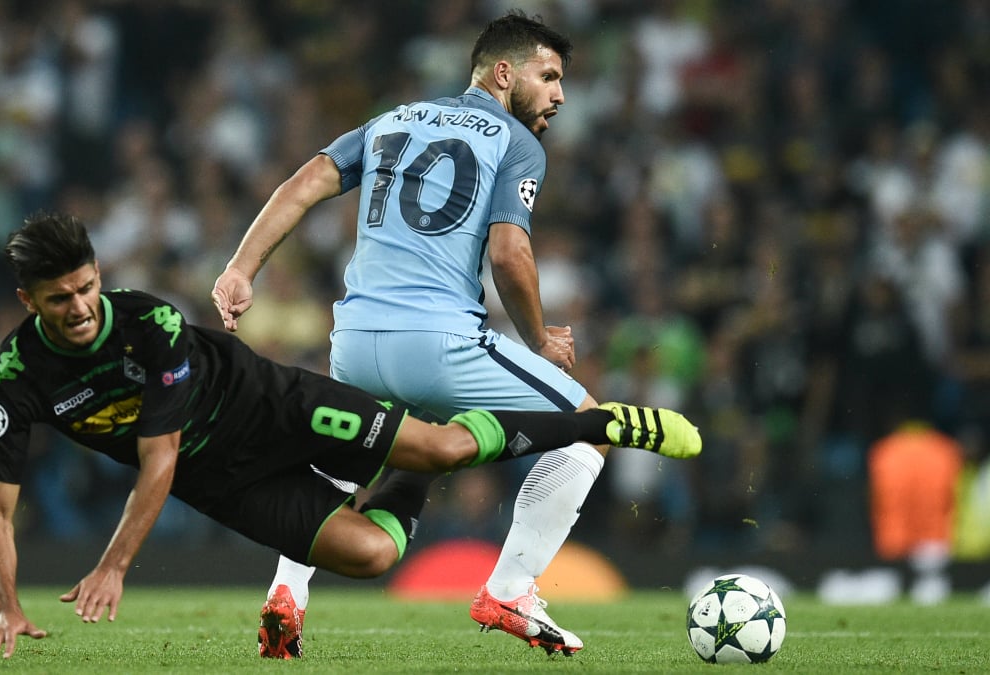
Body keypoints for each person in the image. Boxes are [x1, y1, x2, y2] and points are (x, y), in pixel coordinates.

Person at [0, 212, 700, 667]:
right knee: (376, 551)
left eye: (86, 286)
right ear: (26, 302)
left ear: (99, 274)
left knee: (443, 447)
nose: (79, 307)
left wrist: (113, 565)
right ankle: (407, 466)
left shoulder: (146, 324)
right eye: (59, 297)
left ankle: (599, 422)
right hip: (225, 483)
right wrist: (6, 603)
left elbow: (157, 456)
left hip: (274, 407)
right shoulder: (15, 374)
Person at [212, 10, 700, 659]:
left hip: (355, 340)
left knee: (354, 466)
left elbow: (303, 185)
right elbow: (508, 253)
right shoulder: (517, 141)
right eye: (548, 76)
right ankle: (511, 587)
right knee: (586, 427)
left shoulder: (390, 119)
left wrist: (241, 269)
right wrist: (539, 338)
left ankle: (286, 595)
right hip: (436, 341)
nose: (559, 94)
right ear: (504, 73)